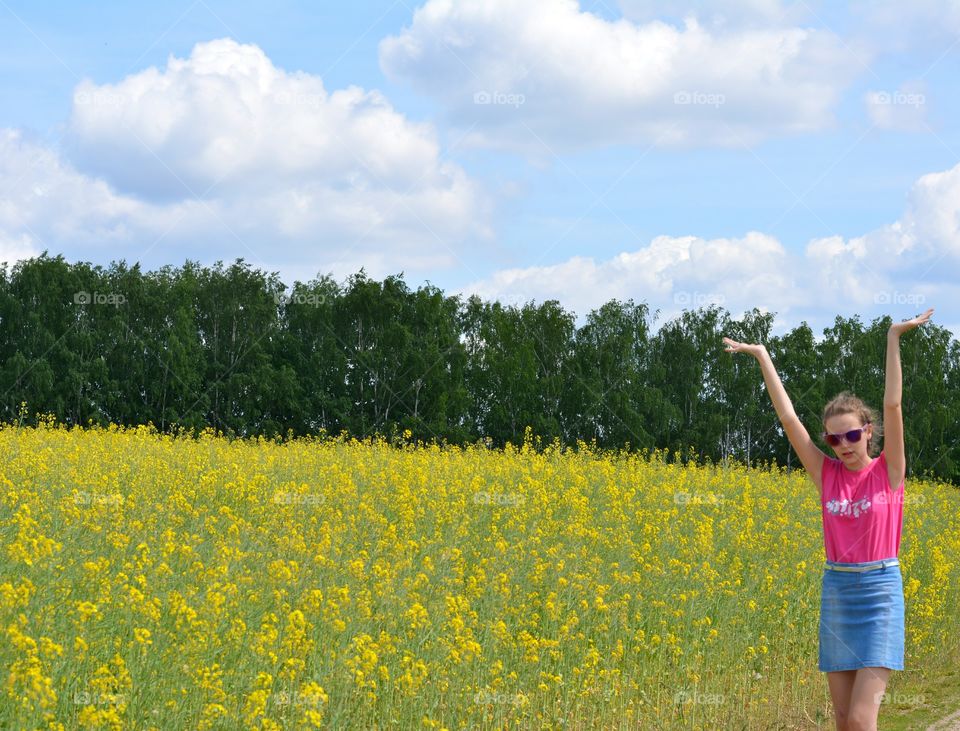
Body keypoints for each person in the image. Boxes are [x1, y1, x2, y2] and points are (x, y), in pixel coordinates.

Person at [722, 306, 934, 731]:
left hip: (879, 593)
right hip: (837, 590)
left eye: (852, 434)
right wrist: (763, 355)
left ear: (868, 431)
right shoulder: (826, 473)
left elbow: (893, 402)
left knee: (860, 720)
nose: (843, 444)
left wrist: (893, 336)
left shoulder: (889, 471)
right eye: (834, 438)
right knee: (840, 720)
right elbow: (788, 418)